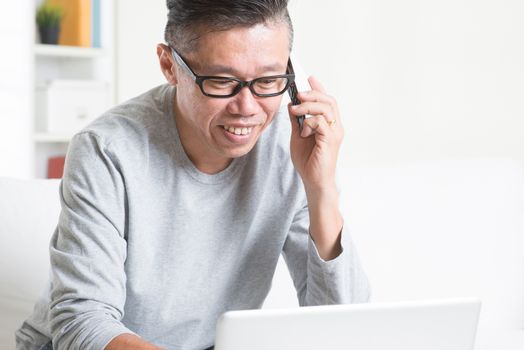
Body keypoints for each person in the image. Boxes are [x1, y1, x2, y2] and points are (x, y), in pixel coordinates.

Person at [16, 0, 370, 349]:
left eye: (267, 80)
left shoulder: (288, 144)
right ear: (169, 65)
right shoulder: (106, 150)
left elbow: (343, 326)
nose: (247, 108)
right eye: (221, 81)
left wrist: (320, 187)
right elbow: (83, 323)